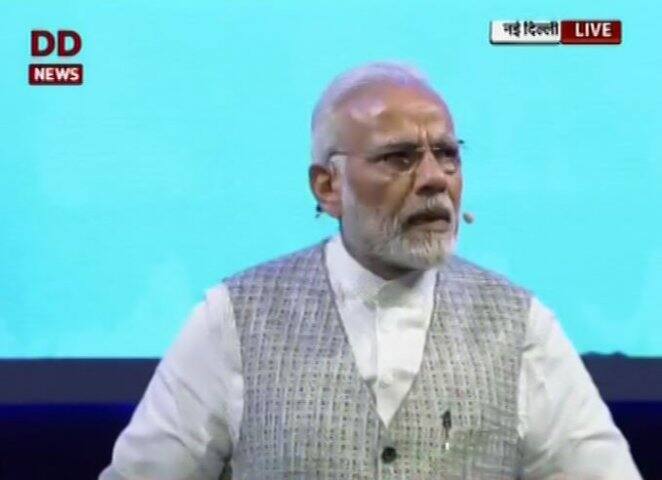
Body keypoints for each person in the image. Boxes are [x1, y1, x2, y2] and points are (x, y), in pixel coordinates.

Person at [100, 62, 641, 479]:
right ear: (328, 187)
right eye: (399, 158)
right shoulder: (233, 319)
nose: (434, 179)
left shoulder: (520, 324)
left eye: (447, 154)